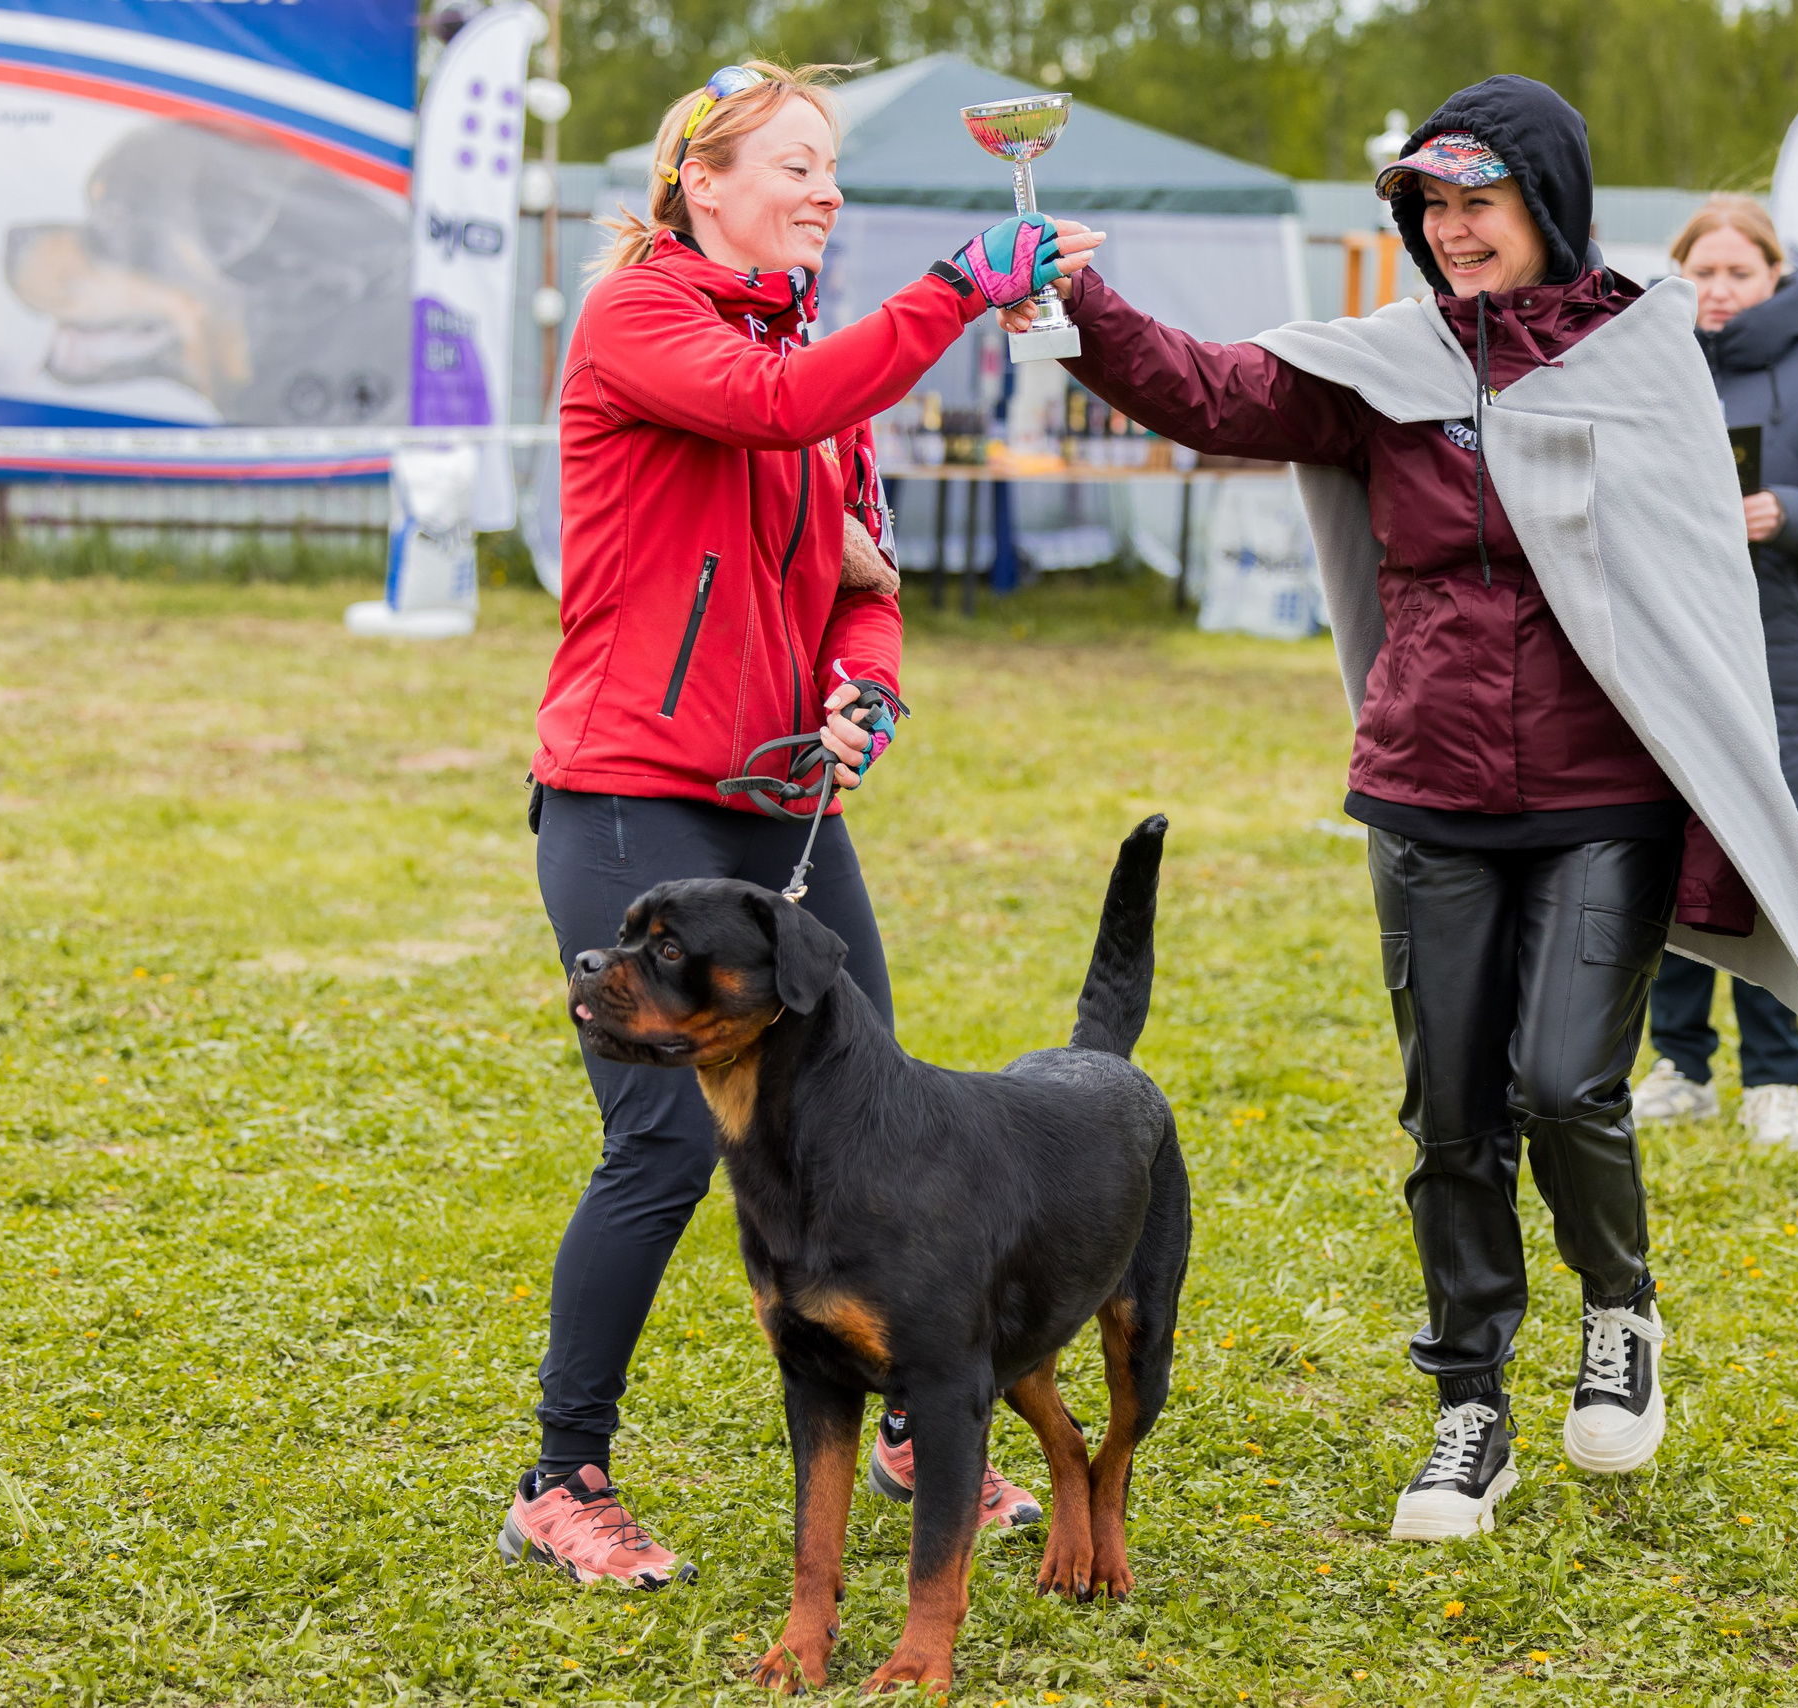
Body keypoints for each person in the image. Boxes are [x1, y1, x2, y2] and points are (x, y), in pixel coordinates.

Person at [1015, 76, 1798, 1541]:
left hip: (1608, 794)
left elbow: (1700, 593)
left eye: (1482, 204)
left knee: (1566, 1084)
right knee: (1451, 1117)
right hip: (1428, 790)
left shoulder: (1643, 355)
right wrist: (1083, 304)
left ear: (1550, 205)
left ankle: (1621, 1311)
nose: (1455, 234)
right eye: (1432, 208)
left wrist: (1730, 805)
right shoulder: (1386, 365)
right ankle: (1470, 1409)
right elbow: (1212, 391)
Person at [498, 60, 1105, 1588]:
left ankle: (912, 1424)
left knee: (882, 1115)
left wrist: (864, 692)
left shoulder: (830, 365)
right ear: (703, 182)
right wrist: (960, 287)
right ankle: (561, 1478)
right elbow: (771, 404)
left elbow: (865, 588)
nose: (825, 191)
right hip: (631, 786)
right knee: (660, 1147)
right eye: (795, 165)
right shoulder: (642, 317)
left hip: (781, 807)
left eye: (833, 170)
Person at [1632, 196, 1798, 1150]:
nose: (1721, 290)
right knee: (1667, 852)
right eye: (1704, 271)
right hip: (1671, 645)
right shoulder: (1650, 372)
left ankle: (1774, 1080)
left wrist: (1782, 511)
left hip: (1786, 655)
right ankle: (1682, 1064)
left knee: (1770, 856)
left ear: (1776, 277)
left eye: (1741, 272)